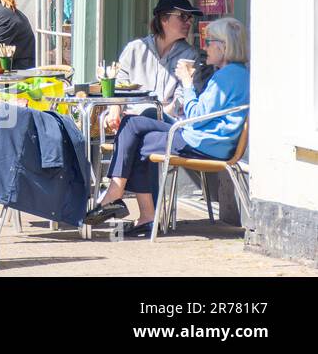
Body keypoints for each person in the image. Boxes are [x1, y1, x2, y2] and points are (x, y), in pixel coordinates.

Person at [84, 16, 250, 236]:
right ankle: (132, 206)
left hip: (204, 142)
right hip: (207, 138)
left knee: (135, 134)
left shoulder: (226, 77)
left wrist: (187, 82)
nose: (205, 47)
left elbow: (197, 116)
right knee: (141, 123)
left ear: (224, 46)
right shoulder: (237, 74)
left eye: (209, 42)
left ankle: (121, 198)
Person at [102, 0, 202, 135]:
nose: (189, 22)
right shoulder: (135, 48)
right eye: (183, 16)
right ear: (163, 19)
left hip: (167, 125)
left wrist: (152, 118)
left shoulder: (190, 55)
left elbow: (182, 99)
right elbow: (119, 86)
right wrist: (114, 109)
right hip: (131, 121)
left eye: (191, 18)